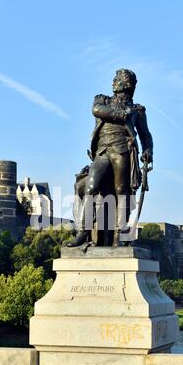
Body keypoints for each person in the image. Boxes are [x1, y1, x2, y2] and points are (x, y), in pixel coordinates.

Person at [67, 69, 153, 248]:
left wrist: (148, 151)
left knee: (121, 190)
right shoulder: (103, 100)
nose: (113, 82)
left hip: (123, 150)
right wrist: (123, 115)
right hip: (103, 151)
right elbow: (97, 110)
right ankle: (83, 231)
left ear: (127, 85)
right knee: (91, 186)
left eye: (117, 79)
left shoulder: (137, 110)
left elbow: (146, 135)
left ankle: (121, 233)